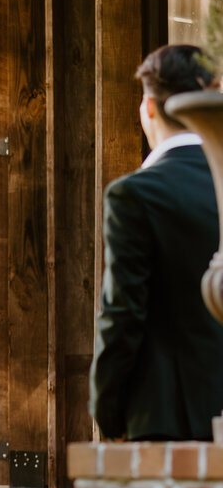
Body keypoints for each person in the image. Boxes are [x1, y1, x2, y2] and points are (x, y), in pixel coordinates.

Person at [89, 43, 223, 442]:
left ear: (148, 106)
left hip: (169, 417)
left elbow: (123, 311)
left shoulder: (134, 194)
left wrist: (107, 408)